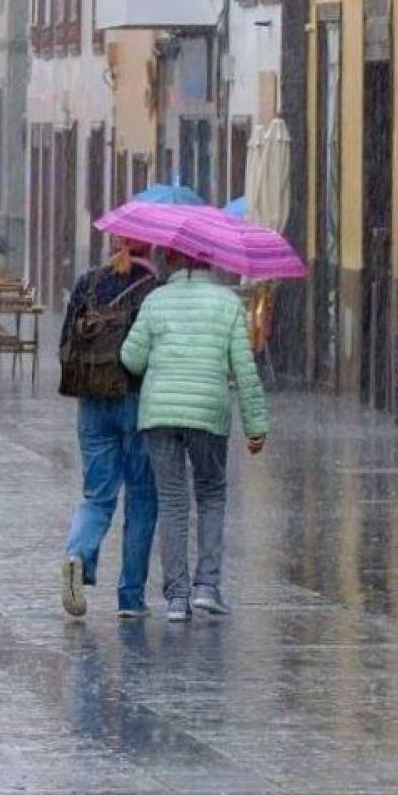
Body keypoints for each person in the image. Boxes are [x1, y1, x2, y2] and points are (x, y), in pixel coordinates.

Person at [120, 251, 269, 622]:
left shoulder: (155, 300)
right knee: (211, 493)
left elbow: (131, 359)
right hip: (207, 411)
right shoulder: (227, 303)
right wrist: (256, 426)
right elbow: (244, 369)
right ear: (212, 262)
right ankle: (207, 587)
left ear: (171, 260)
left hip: (159, 413)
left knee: (172, 501)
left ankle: (176, 597)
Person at [57, 237, 160, 619]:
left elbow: (66, 344)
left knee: (97, 495)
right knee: (142, 498)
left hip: (91, 401)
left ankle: (77, 554)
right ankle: (131, 598)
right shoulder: (154, 291)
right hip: (136, 401)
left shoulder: (88, 283)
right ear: (150, 249)